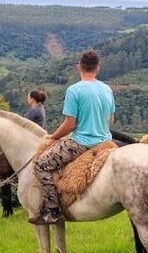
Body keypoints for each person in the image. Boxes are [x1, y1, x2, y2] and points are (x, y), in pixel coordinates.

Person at [31, 51, 116, 225]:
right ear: (98, 68)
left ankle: (52, 212)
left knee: (41, 165)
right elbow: (111, 120)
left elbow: (70, 124)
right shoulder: (107, 89)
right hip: (106, 142)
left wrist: (54, 136)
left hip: (81, 143)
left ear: (79, 67)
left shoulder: (74, 90)